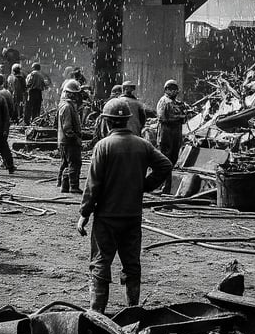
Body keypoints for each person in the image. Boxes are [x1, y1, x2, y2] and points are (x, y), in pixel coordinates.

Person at [77, 97, 171, 312]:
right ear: (128, 120)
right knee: (131, 264)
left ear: (107, 121)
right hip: (132, 216)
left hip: (107, 218)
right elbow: (165, 165)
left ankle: (97, 314)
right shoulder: (142, 144)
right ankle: (132, 311)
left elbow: (93, 185)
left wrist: (84, 213)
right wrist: (145, 185)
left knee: (100, 263)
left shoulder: (103, 146)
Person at [58, 79, 83, 193]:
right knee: (75, 163)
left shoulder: (64, 105)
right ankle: (74, 186)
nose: (77, 96)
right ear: (70, 93)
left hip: (64, 140)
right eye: (75, 94)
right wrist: (76, 138)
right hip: (69, 141)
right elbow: (67, 128)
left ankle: (63, 185)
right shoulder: (67, 107)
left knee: (66, 163)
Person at [155, 80, 186, 167]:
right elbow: (162, 117)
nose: (174, 91)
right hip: (166, 131)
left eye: (175, 89)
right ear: (166, 90)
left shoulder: (177, 103)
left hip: (176, 132)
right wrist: (179, 117)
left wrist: (184, 114)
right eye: (171, 89)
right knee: (165, 155)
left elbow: (184, 119)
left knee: (174, 155)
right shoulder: (164, 101)